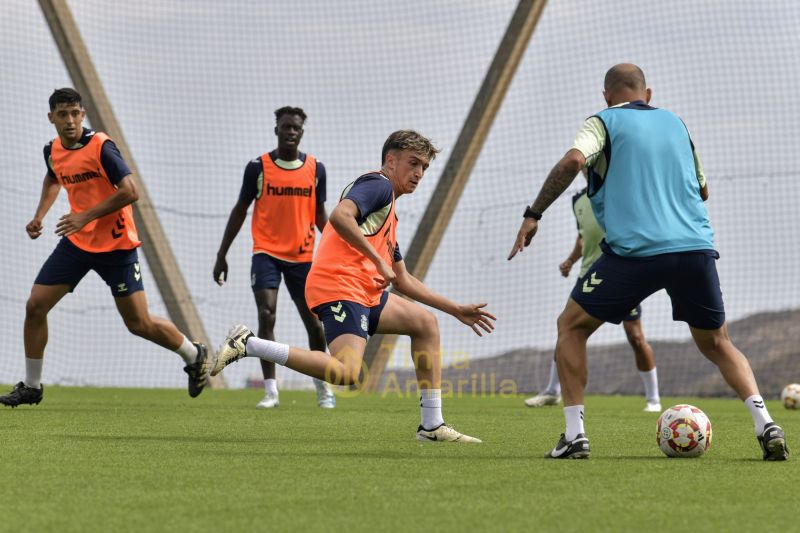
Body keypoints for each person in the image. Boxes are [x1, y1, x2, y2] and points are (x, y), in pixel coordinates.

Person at [508, 64, 788, 460]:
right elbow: (703, 189)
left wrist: (534, 212)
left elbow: (572, 162)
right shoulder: (677, 124)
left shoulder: (602, 121)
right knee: (717, 342)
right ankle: (766, 424)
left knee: (570, 326)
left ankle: (575, 435)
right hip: (695, 249)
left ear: (606, 95)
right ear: (648, 94)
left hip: (635, 253)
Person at [213, 130, 496, 442]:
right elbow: (340, 216)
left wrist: (455, 309)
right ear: (391, 160)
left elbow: (403, 279)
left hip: (364, 292)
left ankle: (432, 426)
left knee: (425, 323)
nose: (419, 173)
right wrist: (376, 259)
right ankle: (249, 344)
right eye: (413, 163)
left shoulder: (387, 211)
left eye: (425, 167)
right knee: (346, 372)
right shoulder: (378, 185)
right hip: (340, 286)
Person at [0, 88, 211, 408]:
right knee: (35, 306)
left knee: (138, 323)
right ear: (51, 118)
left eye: (75, 113)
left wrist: (84, 216)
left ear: (83, 115)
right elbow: (54, 177)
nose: (70, 120)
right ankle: (32, 385)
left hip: (117, 245)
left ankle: (194, 355)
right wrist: (39, 216)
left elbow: (130, 191)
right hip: (77, 243)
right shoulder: (52, 149)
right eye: (62, 114)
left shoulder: (101, 147)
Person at [213, 106, 335, 409]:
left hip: (303, 257)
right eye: (285, 127)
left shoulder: (316, 169)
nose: (290, 132)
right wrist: (222, 253)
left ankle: (323, 388)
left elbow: (321, 215)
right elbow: (240, 210)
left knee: (315, 323)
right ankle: (271, 391)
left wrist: (338, 246)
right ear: (276, 130)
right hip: (265, 253)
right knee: (267, 315)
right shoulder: (258, 167)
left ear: (302, 132)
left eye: (296, 128)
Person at [524, 174, 661, 412]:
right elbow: (582, 237)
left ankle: (653, 399)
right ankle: (552, 391)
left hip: (620, 274)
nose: (589, 168)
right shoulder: (577, 199)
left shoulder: (621, 190)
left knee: (636, 336)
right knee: (567, 329)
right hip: (589, 275)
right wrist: (570, 260)